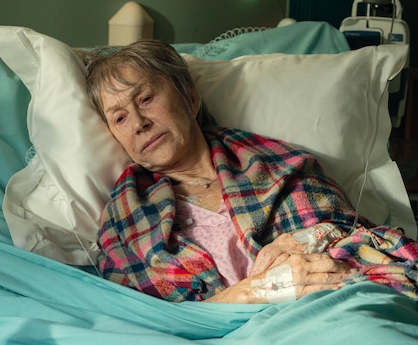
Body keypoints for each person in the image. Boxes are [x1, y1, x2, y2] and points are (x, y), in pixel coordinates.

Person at [84, 40, 418, 303]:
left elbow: (352, 241)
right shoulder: (125, 219)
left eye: (145, 99)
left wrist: (306, 240)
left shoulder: (281, 165)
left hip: (325, 311)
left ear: (189, 97)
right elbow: (136, 318)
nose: (139, 123)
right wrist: (250, 293)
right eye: (120, 118)